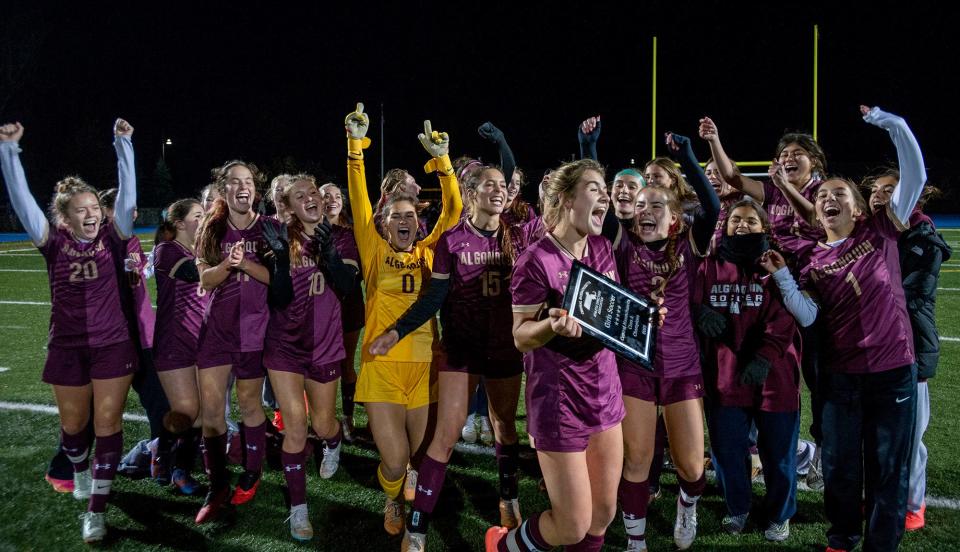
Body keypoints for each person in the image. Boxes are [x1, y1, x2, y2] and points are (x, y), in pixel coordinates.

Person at [764, 105, 926, 552]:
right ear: (816, 212)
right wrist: (780, 275)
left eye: (839, 194)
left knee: (887, 467)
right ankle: (841, 539)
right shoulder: (809, 256)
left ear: (857, 209)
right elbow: (809, 316)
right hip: (839, 378)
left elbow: (913, 172)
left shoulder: (881, 231)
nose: (828, 199)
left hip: (893, 371)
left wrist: (893, 123)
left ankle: (879, 545)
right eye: (822, 197)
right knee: (838, 466)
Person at [367, 164, 524, 551]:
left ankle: (508, 498)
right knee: (446, 435)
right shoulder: (451, 240)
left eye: (503, 186)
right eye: (490, 185)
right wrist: (396, 331)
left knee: (504, 425)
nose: (499, 191)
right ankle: (416, 531)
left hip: (505, 347)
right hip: (461, 349)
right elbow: (434, 298)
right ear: (471, 193)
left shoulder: (518, 235)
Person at [0, 119, 139, 543]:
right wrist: (9, 151)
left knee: (108, 420)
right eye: (81, 209)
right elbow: (22, 200)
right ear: (64, 216)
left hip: (113, 343)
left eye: (95, 207)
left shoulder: (115, 236)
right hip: (67, 344)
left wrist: (123, 144)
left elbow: (128, 199)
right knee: (74, 426)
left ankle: (96, 509)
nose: (91, 214)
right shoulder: (52, 240)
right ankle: (80, 468)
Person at [486, 158, 624, 552]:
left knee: (602, 516)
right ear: (566, 199)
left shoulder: (601, 249)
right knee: (572, 525)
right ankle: (504, 546)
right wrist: (552, 326)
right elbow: (520, 337)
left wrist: (642, 320)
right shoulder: (536, 260)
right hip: (560, 402)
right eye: (595, 188)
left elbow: (611, 316)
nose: (606, 197)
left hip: (606, 393)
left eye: (606, 189)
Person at [343, 103, 463, 536]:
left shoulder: (430, 251)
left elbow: (453, 211)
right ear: (383, 221)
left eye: (412, 215)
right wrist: (356, 145)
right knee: (394, 463)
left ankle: (400, 493)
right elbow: (357, 199)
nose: (406, 220)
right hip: (382, 369)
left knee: (416, 460)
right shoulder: (374, 251)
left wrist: (444, 162)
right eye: (397, 216)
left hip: (425, 367)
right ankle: (392, 495)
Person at [610, 132, 719, 551]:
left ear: (675, 218)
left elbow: (711, 206)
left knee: (691, 465)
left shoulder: (689, 242)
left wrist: (690, 157)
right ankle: (636, 541)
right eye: (640, 206)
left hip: (681, 365)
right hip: (634, 365)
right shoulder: (622, 242)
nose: (647, 211)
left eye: (657, 205)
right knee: (636, 461)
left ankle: (686, 506)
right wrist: (588, 148)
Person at [694, 199, 801, 541]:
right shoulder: (709, 266)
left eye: (751, 220)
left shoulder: (776, 264)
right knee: (727, 450)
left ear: (764, 227)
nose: (742, 225)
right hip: (725, 376)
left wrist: (765, 357)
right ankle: (737, 508)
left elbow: (785, 318)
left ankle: (778, 515)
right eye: (735, 219)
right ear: (724, 226)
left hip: (774, 377)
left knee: (778, 453)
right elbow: (688, 298)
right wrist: (699, 312)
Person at [262, 174, 359, 540]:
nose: (311, 198)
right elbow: (280, 299)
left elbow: (348, 288)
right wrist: (281, 264)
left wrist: (331, 256)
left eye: (313, 192)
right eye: (299, 195)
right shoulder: (279, 238)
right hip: (284, 346)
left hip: (324, 345)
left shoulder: (343, 236)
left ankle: (333, 441)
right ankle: (299, 509)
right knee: (296, 427)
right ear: (287, 207)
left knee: (322, 424)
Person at [193, 159, 280, 523]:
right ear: (224, 189)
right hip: (216, 332)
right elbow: (205, 281)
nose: (243, 187)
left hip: (255, 332)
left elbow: (280, 282)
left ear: (255, 190)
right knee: (211, 412)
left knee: (248, 403)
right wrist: (228, 264)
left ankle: (252, 470)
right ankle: (217, 486)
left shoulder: (272, 229)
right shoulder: (210, 230)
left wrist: (246, 265)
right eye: (234, 181)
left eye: (248, 181)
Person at [865, 172, 951, 532]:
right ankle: (875, 499)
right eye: (875, 191)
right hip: (868, 351)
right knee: (870, 434)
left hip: (909, 348)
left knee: (909, 437)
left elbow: (903, 294)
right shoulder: (864, 232)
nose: (879, 196)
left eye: (890, 191)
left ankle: (913, 504)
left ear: (911, 198)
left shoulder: (922, 240)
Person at [151, 198, 208, 495]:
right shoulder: (166, 251)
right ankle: (160, 453)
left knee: (200, 414)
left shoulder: (200, 251)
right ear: (179, 223)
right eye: (198, 215)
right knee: (186, 410)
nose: (204, 218)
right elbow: (194, 273)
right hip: (174, 341)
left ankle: (181, 470)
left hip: (202, 340)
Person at [320, 182, 367, 441]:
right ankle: (323, 418)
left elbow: (348, 278)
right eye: (326, 195)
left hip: (347, 305)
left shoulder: (350, 233)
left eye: (337, 196)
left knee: (345, 363)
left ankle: (347, 417)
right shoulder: (305, 229)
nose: (332, 200)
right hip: (316, 309)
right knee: (320, 365)